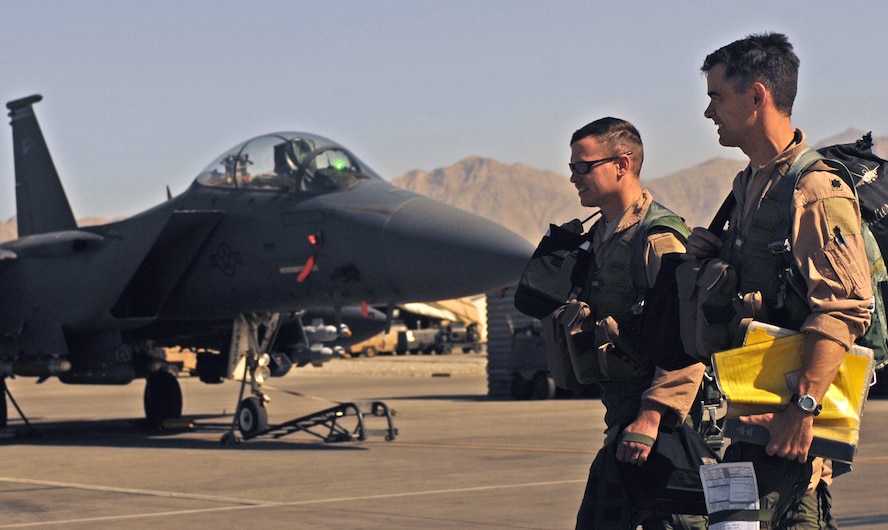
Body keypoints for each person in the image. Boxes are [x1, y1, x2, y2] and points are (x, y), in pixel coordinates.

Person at [685, 32, 872, 528]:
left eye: (716, 97)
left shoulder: (814, 189)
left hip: (789, 425)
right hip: (750, 415)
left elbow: (845, 306)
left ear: (757, 95)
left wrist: (803, 409)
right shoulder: (749, 184)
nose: (708, 113)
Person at [566, 117, 707, 529]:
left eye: (583, 166)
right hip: (624, 417)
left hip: (661, 426)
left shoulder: (657, 238)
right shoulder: (602, 237)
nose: (574, 177)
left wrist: (651, 416)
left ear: (622, 164)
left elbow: (687, 339)